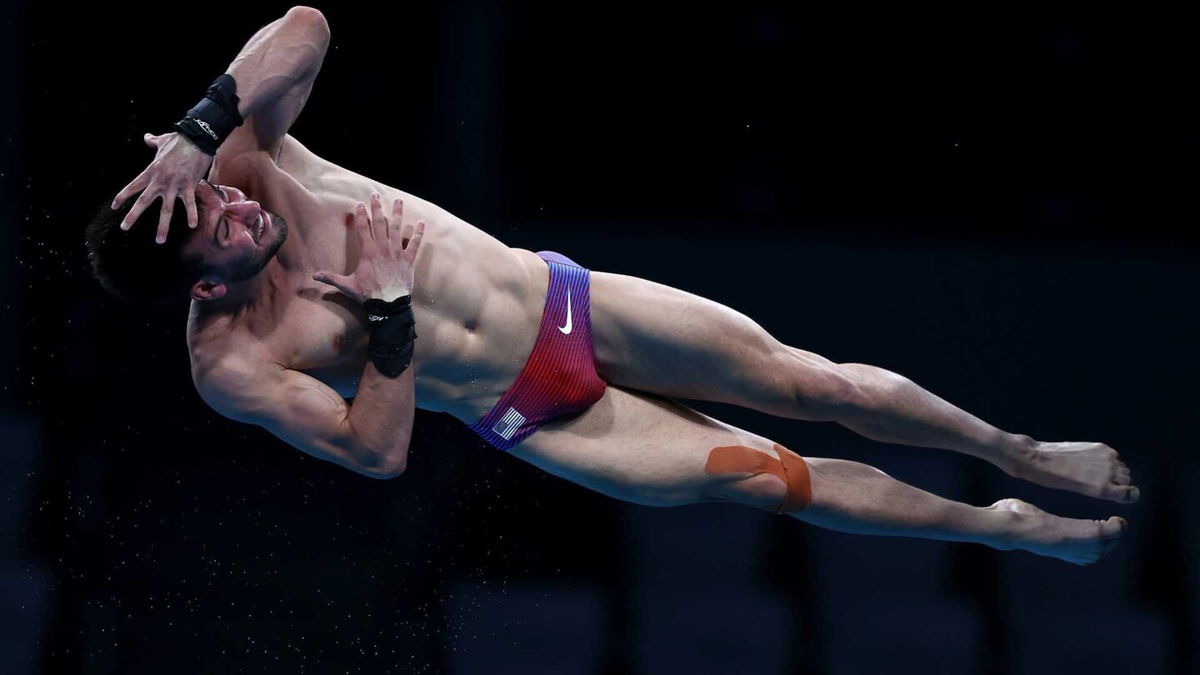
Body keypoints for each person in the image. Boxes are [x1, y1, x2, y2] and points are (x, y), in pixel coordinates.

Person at [87, 7, 1137, 566]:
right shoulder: (234, 362)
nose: (237, 210)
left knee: (822, 386)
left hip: (568, 300)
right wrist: (393, 321)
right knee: (774, 475)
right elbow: (375, 454)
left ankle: (1015, 449)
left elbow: (306, 22)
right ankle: (1000, 526)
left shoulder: (247, 155)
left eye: (216, 196)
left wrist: (199, 126)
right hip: (535, 414)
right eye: (219, 234)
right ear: (203, 291)